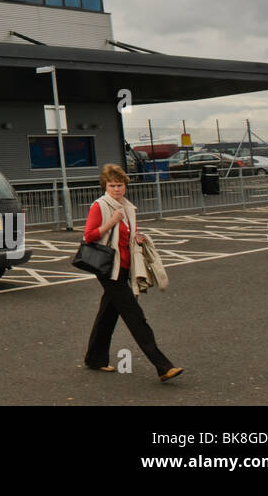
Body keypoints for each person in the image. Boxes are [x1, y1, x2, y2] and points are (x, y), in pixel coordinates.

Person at [83, 163, 183, 382]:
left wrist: (137, 237)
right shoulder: (100, 206)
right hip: (108, 268)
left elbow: (127, 232)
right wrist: (111, 222)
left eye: (120, 185)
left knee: (108, 314)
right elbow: (89, 236)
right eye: (112, 185)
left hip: (124, 267)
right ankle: (163, 366)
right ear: (105, 186)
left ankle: (94, 359)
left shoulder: (127, 207)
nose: (117, 189)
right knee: (135, 316)